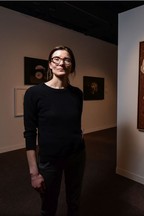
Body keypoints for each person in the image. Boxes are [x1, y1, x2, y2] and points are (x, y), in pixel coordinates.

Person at [23, 45, 86, 216]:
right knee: (48, 206)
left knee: (74, 202)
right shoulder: (34, 93)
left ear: (71, 65)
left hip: (76, 156)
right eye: (56, 59)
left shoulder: (77, 94)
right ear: (50, 64)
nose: (61, 63)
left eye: (67, 59)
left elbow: (75, 123)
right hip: (50, 160)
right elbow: (30, 134)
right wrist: (34, 173)